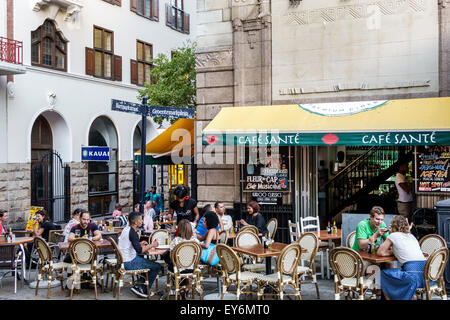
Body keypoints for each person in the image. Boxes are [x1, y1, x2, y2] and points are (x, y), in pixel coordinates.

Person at [378, 215, 426, 300]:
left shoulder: (393, 236)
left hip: (411, 277)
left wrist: (393, 252)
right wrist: (395, 251)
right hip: (425, 277)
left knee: (382, 274)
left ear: (393, 225)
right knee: (395, 273)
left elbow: (380, 252)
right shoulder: (411, 236)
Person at [118, 211, 161, 298]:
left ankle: (139, 285)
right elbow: (140, 251)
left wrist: (139, 243)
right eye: (141, 220)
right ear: (135, 222)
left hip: (124, 260)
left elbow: (131, 245)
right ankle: (142, 289)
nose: (142, 222)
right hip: (129, 263)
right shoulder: (133, 232)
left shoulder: (126, 229)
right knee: (156, 266)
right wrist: (152, 245)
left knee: (149, 264)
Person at [163, 219, 200, 299]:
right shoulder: (196, 241)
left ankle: (181, 290)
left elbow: (171, 257)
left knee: (172, 265)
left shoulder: (176, 241)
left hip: (179, 269)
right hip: (192, 269)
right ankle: (187, 288)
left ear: (179, 229)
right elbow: (198, 257)